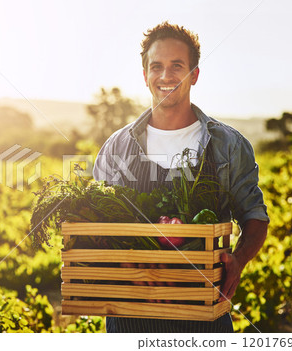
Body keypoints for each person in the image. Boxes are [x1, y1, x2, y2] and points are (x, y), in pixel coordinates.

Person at [92, 21, 269, 333]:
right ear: (145, 74)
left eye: (177, 66)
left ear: (194, 74)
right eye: (156, 66)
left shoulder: (228, 145)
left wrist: (238, 261)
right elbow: (95, 223)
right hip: (128, 315)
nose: (166, 76)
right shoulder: (116, 147)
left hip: (204, 315)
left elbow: (254, 216)